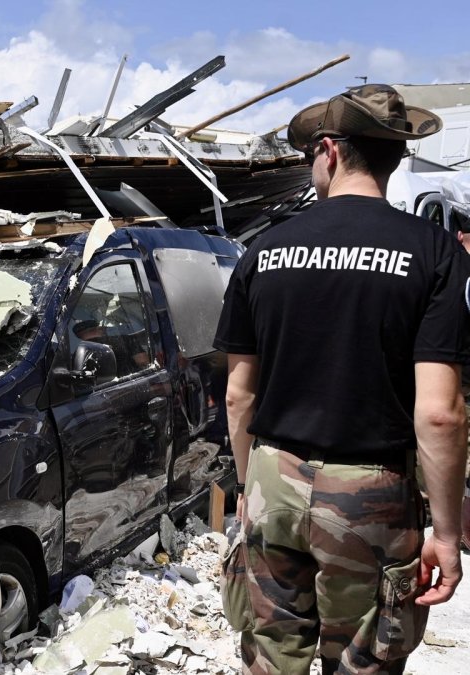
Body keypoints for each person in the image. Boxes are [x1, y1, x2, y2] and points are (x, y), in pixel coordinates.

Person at [215, 84, 467, 674]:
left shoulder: (263, 251)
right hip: (371, 493)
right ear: (396, 156)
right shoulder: (435, 253)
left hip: (273, 475)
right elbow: (440, 413)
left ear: (328, 150)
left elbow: (237, 394)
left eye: (311, 156)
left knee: (273, 651)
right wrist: (448, 536)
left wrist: (252, 490)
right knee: (364, 658)